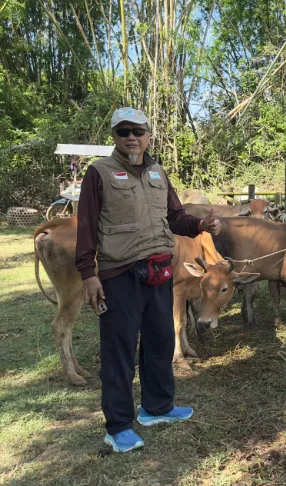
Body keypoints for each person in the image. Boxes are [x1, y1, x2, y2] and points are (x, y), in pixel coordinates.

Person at [76, 108, 222, 452]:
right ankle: (118, 426)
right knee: (119, 351)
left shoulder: (158, 172)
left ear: (148, 135)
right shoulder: (99, 173)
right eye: (123, 131)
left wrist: (201, 225)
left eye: (137, 130)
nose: (131, 136)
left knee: (158, 341)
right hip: (118, 274)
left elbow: (176, 217)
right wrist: (88, 274)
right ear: (114, 135)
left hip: (159, 270)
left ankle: (157, 407)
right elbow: (85, 226)